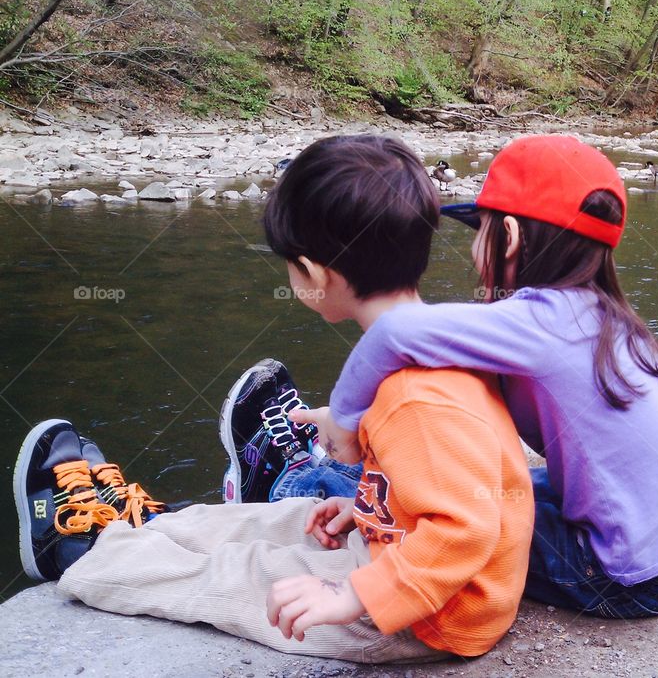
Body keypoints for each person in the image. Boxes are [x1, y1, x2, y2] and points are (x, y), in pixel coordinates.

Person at [13, 134, 534, 662]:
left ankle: (80, 557)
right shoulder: (434, 344)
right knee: (275, 519)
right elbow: (448, 480)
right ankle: (135, 528)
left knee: (237, 576)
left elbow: (467, 528)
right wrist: (374, 508)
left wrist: (351, 596)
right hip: (406, 561)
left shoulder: (416, 396)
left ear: (313, 274)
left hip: (427, 615)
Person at [302, 134, 658, 619]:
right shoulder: (603, 317)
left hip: (630, 573)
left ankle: (291, 477)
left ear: (511, 235)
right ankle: (348, 491)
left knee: (448, 523)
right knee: (487, 489)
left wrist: (345, 420)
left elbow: (394, 331)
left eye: (477, 232)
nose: (473, 250)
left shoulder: (540, 320)